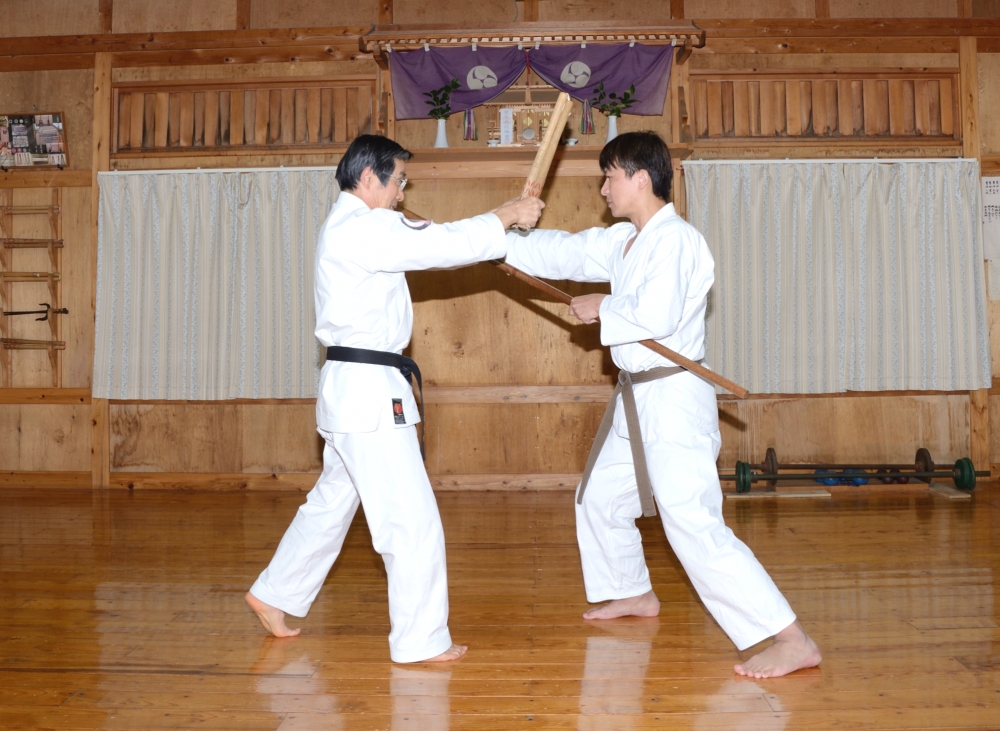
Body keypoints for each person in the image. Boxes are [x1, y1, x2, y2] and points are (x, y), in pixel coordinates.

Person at [504, 131, 821, 679]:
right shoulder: (625, 240)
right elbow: (562, 249)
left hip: (673, 396)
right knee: (599, 497)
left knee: (693, 523)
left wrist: (604, 305)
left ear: (641, 177)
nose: (604, 187)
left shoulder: (677, 240)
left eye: (611, 175)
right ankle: (631, 592)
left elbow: (658, 313)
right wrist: (493, 234)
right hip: (637, 399)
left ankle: (789, 638)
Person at [246, 134, 544, 663]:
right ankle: (419, 640)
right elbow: (441, 244)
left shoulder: (350, 228)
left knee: (333, 502)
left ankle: (274, 594)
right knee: (410, 519)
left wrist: (501, 222)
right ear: (368, 178)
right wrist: (505, 214)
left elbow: (434, 237)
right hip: (365, 390)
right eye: (399, 181)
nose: (403, 193)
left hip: (354, 389)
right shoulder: (363, 227)